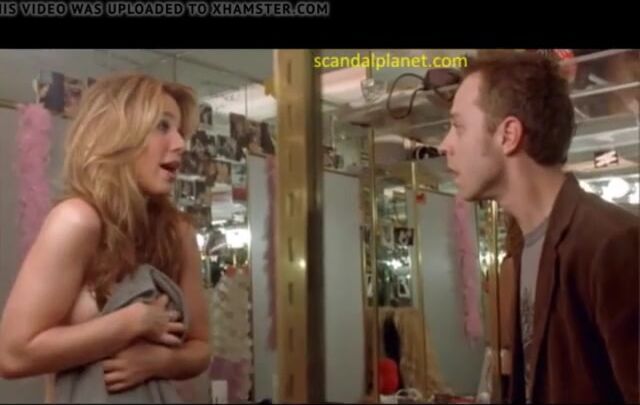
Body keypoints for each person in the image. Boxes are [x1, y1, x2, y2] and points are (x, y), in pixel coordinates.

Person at [438, 51, 638, 403]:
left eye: (459, 127)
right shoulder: (524, 248)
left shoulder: (611, 244)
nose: (444, 145)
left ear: (508, 135)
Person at [0, 73, 211, 400]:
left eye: (180, 130)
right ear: (117, 134)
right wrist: (133, 322)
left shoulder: (178, 232)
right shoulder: (76, 221)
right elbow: (13, 355)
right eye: (162, 126)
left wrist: (158, 362)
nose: (180, 143)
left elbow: (201, 348)